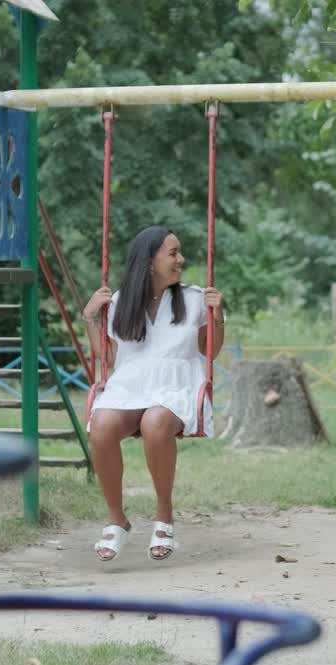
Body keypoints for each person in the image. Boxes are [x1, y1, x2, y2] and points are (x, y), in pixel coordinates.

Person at [80, 225, 225, 561]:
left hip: (175, 383)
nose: (181, 259)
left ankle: (164, 514)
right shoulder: (119, 302)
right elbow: (111, 358)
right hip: (130, 384)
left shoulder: (193, 298)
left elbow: (210, 352)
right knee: (100, 425)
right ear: (149, 261)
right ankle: (117, 518)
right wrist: (90, 318)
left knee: (155, 423)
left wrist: (217, 317)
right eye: (173, 253)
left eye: (179, 252)